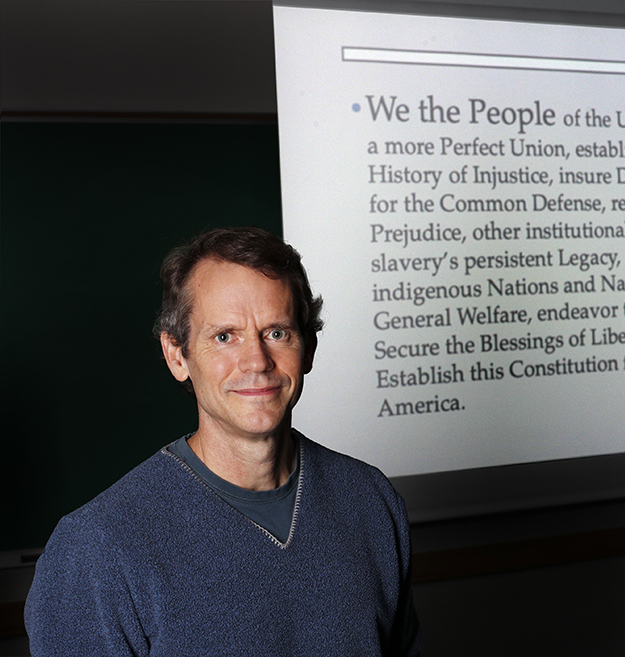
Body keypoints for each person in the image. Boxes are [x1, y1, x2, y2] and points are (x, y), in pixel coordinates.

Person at [25, 226, 420, 656]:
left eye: (277, 332)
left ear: (307, 349)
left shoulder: (370, 500)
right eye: (224, 336)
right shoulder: (96, 549)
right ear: (177, 355)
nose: (256, 361)